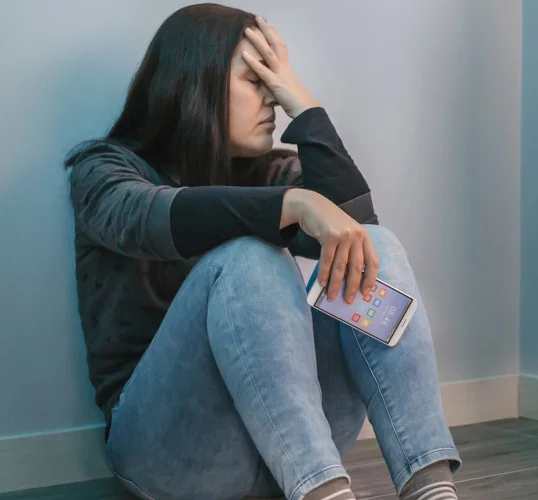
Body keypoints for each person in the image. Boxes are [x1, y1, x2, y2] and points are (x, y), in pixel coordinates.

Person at [65, 4, 460, 500]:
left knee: (373, 243)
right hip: (169, 450)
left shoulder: (270, 172)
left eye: (276, 84)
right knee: (248, 256)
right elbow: (154, 219)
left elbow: (354, 226)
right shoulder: (103, 171)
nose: (272, 97)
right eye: (257, 80)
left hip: (288, 448)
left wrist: (306, 108)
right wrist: (292, 205)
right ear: (197, 83)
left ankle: (429, 486)